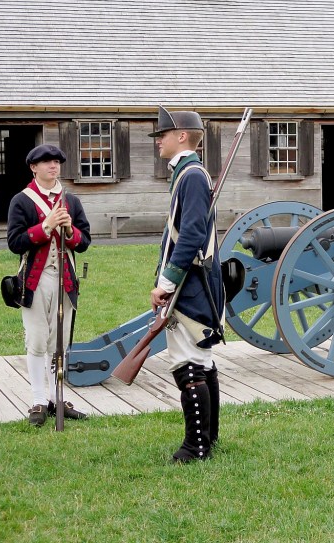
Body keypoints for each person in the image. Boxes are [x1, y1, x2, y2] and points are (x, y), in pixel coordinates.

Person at [148, 106, 224, 463]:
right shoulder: (189, 173)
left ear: (182, 136)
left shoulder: (191, 175)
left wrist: (166, 283)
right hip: (196, 280)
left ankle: (197, 446)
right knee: (201, 359)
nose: (158, 140)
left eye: (163, 134)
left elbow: (191, 235)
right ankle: (208, 438)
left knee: (188, 362)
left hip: (190, 284)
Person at [7, 144, 91, 426]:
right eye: (46, 162)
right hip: (35, 278)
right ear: (34, 167)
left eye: (55, 162)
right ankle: (38, 400)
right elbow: (15, 242)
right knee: (37, 339)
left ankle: (57, 398)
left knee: (60, 342)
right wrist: (45, 227)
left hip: (64, 279)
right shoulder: (22, 200)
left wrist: (69, 230)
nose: (52, 166)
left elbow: (84, 242)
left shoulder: (72, 201)